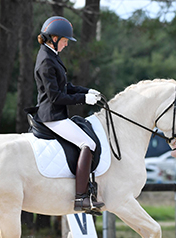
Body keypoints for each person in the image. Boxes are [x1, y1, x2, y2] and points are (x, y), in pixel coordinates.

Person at [33, 16, 105, 213]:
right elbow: (56, 96)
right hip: (52, 116)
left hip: (56, 113)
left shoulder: (51, 55)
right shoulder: (46, 61)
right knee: (88, 143)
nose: (66, 44)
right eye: (64, 40)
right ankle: (81, 197)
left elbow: (66, 86)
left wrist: (87, 91)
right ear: (54, 38)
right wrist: (82, 99)